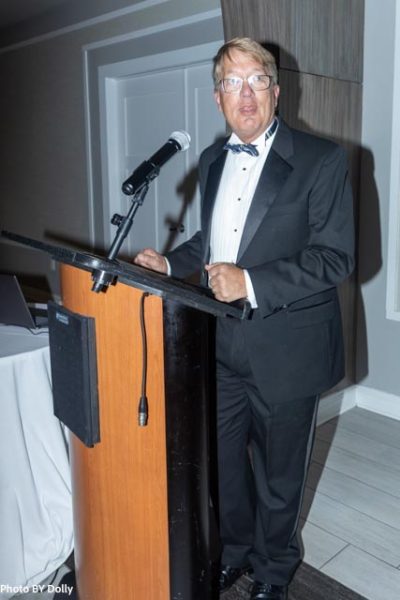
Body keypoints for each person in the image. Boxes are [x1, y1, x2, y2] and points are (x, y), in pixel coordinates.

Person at [134, 37, 354, 600]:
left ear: (276, 92)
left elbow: (335, 257)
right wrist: (170, 262)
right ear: (218, 98)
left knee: (279, 474)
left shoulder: (322, 158)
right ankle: (235, 552)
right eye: (232, 83)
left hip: (289, 346)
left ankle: (275, 570)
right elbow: (213, 242)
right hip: (220, 339)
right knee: (224, 463)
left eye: (257, 79)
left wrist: (250, 282)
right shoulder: (212, 160)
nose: (246, 94)